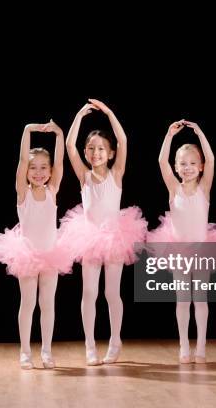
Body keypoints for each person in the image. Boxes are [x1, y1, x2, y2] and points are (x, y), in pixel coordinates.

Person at [59, 99, 147, 365]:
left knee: (111, 293)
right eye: (91, 148)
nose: (95, 152)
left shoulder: (116, 173)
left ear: (109, 153)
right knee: (89, 293)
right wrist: (78, 116)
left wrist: (109, 112)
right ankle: (89, 344)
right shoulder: (84, 176)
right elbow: (68, 146)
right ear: (86, 152)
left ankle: (115, 340)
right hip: (89, 238)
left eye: (100, 148)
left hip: (115, 237)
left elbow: (123, 139)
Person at [147, 119, 216, 364]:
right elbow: (160, 161)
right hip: (177, 249)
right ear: (176, 167)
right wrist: (168, 135)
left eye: (192, 163)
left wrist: (200, 132)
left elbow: (213, 160)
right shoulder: (174, 189)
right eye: (183, 164)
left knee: (200, 299)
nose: (187, 167)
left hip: (202, 248)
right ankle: (184, 346)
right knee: (183, 299)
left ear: (201, 167)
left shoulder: (204, 188)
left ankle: (201, 348)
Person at [0, 120, 73, 369]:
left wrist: (59, 134)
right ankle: (25, 352)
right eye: (33, 168)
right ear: (26, 172)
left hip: (50, 253)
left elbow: (60, 162)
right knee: (27, 304)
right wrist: (27, 130)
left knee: (48, 304)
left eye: (43, 168)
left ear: (49, 171)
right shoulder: (22, 192)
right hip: (27, 254)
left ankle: (46, 351)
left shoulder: (52, 190)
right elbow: (22, 161)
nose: (38, 172)